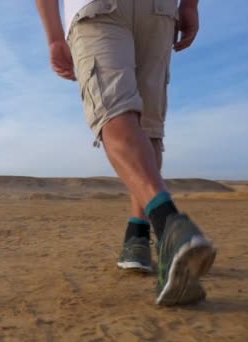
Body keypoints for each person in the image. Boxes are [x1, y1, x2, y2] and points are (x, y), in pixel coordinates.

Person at [36, 0, 216, 305]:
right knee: (148, 126)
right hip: (159, 10)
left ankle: (170, 225)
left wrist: (54, 37)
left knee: (114, 110)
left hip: (98, 7)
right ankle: (137, 238)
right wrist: (190, 5)